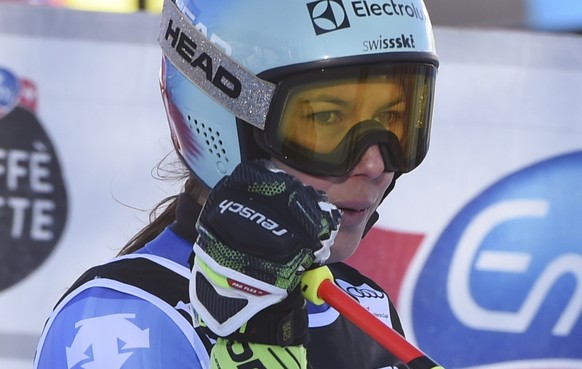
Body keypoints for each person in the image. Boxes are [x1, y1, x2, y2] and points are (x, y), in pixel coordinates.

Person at [33, 0, 439, 368]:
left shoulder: (363, 306)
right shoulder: (122, 319)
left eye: (394, 121)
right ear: (222, 120)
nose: (374, 163)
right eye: (327, 120)